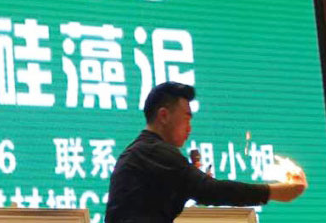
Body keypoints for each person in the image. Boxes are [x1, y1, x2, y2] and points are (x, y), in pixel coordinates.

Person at [104, 81, 307, 223]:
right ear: (163, 116)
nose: (189, 128)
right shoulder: (155, 151)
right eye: (186, 117)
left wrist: (191, 181)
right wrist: (274, 192)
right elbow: (211, 191)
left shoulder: (143, 151)